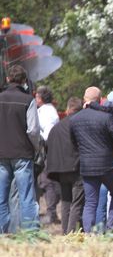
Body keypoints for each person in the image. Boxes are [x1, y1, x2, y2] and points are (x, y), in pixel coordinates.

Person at [69, 87, 113, 232]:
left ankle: (89, 233)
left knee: (90, 202)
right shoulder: (106, 117)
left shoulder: (74, 119)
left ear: (84, 99)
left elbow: (73, 142)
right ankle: (112, 227)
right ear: (100, 100)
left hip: (87, 166)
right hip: (107, 165)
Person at [0, 65, 41, 232]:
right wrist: (36, 148)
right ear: (24, 81)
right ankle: (30, 233)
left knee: (2, 197)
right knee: (26, 196)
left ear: (8, 79)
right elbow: (33, 130)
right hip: (22, 154)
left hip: (1, 154)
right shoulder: (28, 100)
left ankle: (3, 233)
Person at [45, 97, 84, 234]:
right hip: (76, 168)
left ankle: (65, 231)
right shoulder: (80, 125)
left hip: (59, 170)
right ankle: (72, 232)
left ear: (68, 109)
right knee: (77, 203)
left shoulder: (56, 128)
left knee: (66, 201)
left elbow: (48, 148)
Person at [36, 85, 61, 225]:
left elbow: (48, 133)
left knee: (47, 182)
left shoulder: (47, 112)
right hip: (45, 150)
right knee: (45, 182)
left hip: (46, 150)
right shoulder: (46, 111)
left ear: (40, 98)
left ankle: (51, 214)